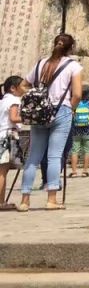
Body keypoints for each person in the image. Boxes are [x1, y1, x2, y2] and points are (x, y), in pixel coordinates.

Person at [19, 33, 82, 212]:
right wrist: (71, 108)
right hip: (61, 110)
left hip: (39, 113)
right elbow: (77, 94)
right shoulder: (74, 66)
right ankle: (51, 199)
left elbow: (24, 85)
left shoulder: (41, 64)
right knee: (55, 156)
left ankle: (25, 200)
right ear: (71, 48)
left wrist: (35, 95)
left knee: (33, 157)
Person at [1, 76, 27, 211]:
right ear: (13, 88)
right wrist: (29, 117)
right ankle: (0, 202)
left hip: (1, 134)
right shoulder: (14, 100)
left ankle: (2, 201)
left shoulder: (3, 101)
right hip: (7, 137)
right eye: (22, 86)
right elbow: (13, 118)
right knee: (2, 172)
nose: (25, 89)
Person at [69, 85, 89, 177]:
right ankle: (85, 171)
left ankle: (74, 172)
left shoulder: (75, 104)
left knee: (74, 151)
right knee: (87, 151)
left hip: (75, 131)